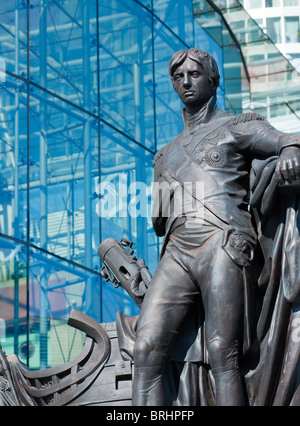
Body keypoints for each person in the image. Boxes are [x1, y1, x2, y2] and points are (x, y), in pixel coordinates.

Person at [132, 48, 300, 406]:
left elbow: (287, 140)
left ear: (213, 80)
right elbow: (159, 223)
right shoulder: (165, 154)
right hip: (177, 251)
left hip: (223, 242)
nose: (186, 82)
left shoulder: (237, 126)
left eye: (194, 74)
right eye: (178, 77)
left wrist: (290, 154)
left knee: (224, 353)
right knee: (145, 347)